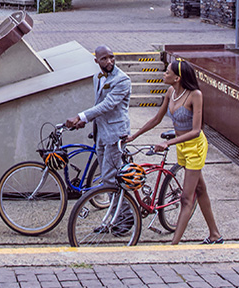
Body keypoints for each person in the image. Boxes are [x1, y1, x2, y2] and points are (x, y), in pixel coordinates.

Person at [127, 59, 222, 245]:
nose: (164, 74)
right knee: (200, 189)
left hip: (195, 147)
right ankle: (215, 235)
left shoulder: (195, 95)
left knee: (187, 198)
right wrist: (134, 136)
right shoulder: (171, 92)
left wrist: (168, 143)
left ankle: (174, 244)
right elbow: (156, 118)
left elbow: (196, 131)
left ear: (177, 78)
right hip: (181, 146)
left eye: (168, 72)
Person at [65, 45, 131, 192]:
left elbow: (107, 105)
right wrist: (84, 121)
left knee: (110, 178)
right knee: (106, 176)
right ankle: (116, 212)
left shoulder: (122, 80)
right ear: (96, 61)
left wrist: (80, 116)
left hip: (115, 134)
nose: (109, 61)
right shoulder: (97, 77)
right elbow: (98, 104)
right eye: (104, 59)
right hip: (101, 132)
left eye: (111, 57)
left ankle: (125, 214)